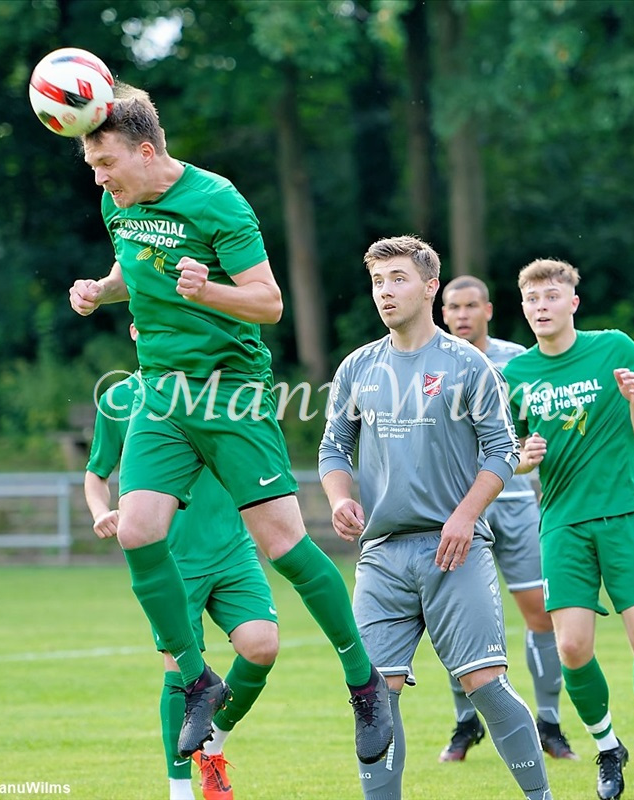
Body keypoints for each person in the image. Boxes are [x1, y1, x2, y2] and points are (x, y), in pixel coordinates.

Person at [68, 83, 392, 766]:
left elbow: (269, 303)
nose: (98, 179)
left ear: (146, 151)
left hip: (231, 394)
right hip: (161, 391)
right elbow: (133, 270)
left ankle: (364, 682)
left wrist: (208, 289)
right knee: (137, 529)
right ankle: (197, 681)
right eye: (92, 166)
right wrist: (101, 290)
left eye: (106, 164)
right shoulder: (117, 202)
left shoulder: (217, 201)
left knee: (285, 546)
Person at [319, 235, 553, 800]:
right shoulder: (357, 367)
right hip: (382, 556)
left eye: (398, 279)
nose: (385, 292)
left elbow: (502, 451)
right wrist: (340, 499)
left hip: (455, 551)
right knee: (374, 697)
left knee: (484, 684)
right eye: (377, 281)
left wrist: (465, 516)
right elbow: (333, 448)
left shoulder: (468, 364)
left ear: (430, 287)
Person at [504, 258, 634, 800]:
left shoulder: (614, 348)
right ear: (524, 308)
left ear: (573, 302)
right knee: (572, 647)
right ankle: (608, 748)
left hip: (625, 514)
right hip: (562, 524)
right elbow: (506, 454)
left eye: (551, 297)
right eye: (532, 299)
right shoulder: (516, 375)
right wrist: (522, 459)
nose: (541, 307)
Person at [84, 324, 278, 800]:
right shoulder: (119, 398)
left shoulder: (222, 387)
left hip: (232, 549)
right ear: (136, 330)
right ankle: (179, 789)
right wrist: (101, 511)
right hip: (172, 561)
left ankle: (214, 745)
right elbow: (96, 472)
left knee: (262, 647)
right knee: (179, 672)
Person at [438, 276, 576, 762]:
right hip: (456, 507)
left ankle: (549, 724)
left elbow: (537, 427)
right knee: (456, 617)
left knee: (540, 612)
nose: (462, 315)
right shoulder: (431, 360)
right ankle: (465, 724)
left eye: (470, 305)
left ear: (489, 310)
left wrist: (532, 450)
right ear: (443, 311)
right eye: (453, 307)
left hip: (514, 503)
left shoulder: (517, 361)